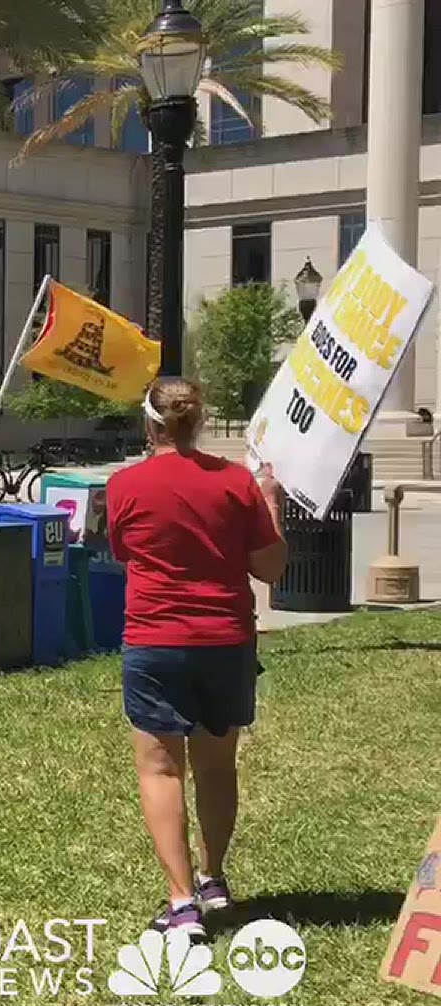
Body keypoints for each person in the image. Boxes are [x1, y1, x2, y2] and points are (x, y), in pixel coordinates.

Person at [106, 377, 287, 936]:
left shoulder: (124, 485)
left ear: (149, 424)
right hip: (226, 640)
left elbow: (121, 552)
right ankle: (213, 878)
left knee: (161, 769)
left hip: (155, 640)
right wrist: (271, 503)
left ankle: (181, 901)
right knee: (215, 766)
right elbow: (271, 567)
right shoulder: (237, 483)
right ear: (199, 422)